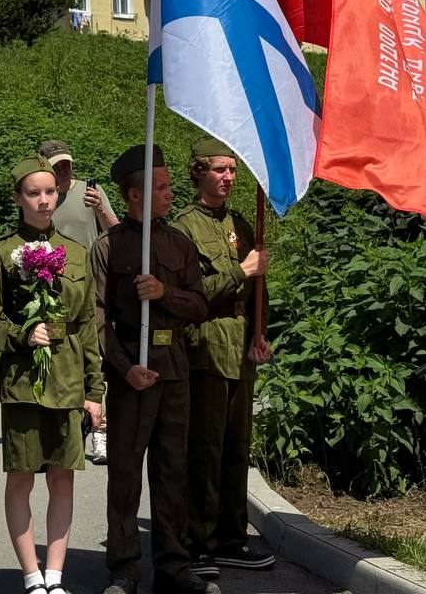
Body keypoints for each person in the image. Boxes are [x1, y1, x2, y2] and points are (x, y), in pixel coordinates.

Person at [90, 145, 215, 594]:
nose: (170, 193)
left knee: (172, 471)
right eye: (160, 187)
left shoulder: (179, 243)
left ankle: (173, 565)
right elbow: (97, 319)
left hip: (174, 370)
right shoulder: (109, 247)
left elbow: (199, 306)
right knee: (125, 473)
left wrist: (165, 293)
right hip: (131, 374)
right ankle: (124, 568)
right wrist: (125, 369)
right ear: (134, 195)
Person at [0, 155, 104, 594]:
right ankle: (31, 576)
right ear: (18, 197)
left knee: (62, 478)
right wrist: (21, 334)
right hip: (23, 381)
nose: (43, 200)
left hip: (69, 377)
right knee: (21, 478)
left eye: (50, 192)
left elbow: (87, 325)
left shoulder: (76, 252)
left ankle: (55, 576)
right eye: (33, 193)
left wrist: (95, 391)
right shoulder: (0, 254)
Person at [172, 137, 276, 578]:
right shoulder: (184, 228)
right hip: (207, 347)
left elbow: (258, 289)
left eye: (233, 170)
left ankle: (233, 537)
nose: (229, 177)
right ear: (199, 172)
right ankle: (198, 542)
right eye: (219, 169)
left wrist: (260, 333)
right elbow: (191, 294)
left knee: (237, 448)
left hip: (240, 349)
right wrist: (241, 270)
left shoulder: (240, 223)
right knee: (205, 449)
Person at [37, 139, 119, 465]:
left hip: (91, 287)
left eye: (67, 163)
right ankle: (60, 429)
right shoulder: (41, 197)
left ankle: (100, 431)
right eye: (56, 165)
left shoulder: (89, 192)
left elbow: (118, 232)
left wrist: (100, 208)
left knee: (94, 356)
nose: (64, 170)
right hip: (51, 289)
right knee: (57, 356)